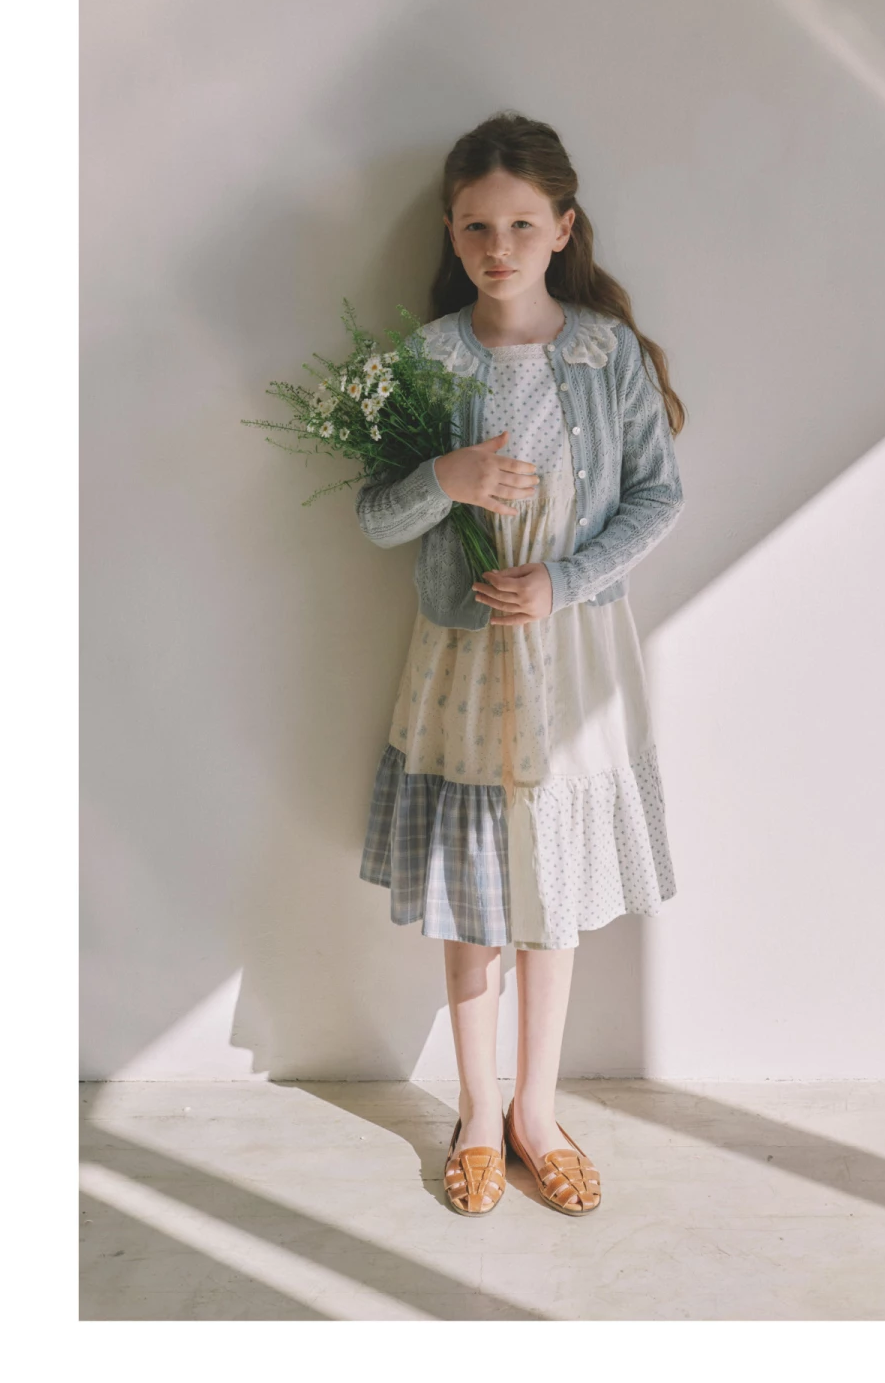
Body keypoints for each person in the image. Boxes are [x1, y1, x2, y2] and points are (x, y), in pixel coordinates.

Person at [355, 111, 687, 1217]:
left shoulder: (605, 351)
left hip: (573, 650)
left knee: (556, 881)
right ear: (452, 234)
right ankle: (476, 1111)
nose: (498, 247)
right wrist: (443, 481)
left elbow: (658, 496)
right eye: (476, 226)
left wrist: (565, 580)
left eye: (522, 225)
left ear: (562, 229)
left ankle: (536, 1114)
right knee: (477, 886)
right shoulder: (425, 360)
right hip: (462, 656)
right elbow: (377, 518)